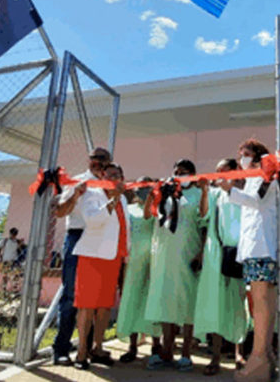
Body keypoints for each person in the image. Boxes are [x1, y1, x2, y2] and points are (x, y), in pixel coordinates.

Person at [218, 139, 279, 382]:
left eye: (244, 154)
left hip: (261, 249)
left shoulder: (265, 175)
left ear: (255, 156)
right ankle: (265, 353)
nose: (240, 157)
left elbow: (255, 201)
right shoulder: (255, 178)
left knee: (262, 301)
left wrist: (229, 190)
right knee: (262, 301)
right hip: (256, 250)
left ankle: (258, 356)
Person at [145, 159, 209, 372]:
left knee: (186, 302)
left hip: (187, 255)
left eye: (184, 172)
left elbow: (205, 224)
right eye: (176, 171)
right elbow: (152, 216)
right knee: (165, 301)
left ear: (192, 174)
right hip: (164, 255)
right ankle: (166, 350)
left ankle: (186, 354)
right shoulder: (165, 193)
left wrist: (200, 254)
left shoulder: (198, 195)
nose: (179, 174)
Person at [51, 147, 111, 366]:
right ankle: (61, 349)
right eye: (95, 159)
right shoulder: (77, 182)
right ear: (89, 161)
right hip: (78, 238)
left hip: (102, 242)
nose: (99, 164)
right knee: (71, 297)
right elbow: (59, 211)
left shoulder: (110, 185)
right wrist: (75, 195)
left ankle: (86, 350)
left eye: (103, 160)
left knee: (94, 299)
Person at [194, 159, 249, 376]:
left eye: (223, 171)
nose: (219, 174)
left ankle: (239, 353)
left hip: (241, 254)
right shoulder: (215, 194)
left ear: (235, 172)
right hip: (216, 254)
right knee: (216, 304)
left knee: (239, 304)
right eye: (217, 171)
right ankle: (215, 357)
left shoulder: (246, 193)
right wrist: (206, 192)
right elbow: (203, 215)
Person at [72, 162, 129, 370]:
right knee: (87, 306)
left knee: (105, 306)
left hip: (113, 257)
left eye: (119, 175)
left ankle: (98, 348)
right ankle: (81, 353)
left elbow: (125, 227)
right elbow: (93, 220)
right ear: (103, 176)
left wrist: (126, 253)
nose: (115, 178)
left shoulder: (123, 197)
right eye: (111, 175)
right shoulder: (92, 193)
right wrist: (113, 199)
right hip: (92, 256)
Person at [116, 176, 163, 363]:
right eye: (141, 187)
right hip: (133, 262)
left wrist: (153, 199)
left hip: (154, 260)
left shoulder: (158, 208)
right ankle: (132, 345)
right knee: (132, 300)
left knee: (153, 300)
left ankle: (156, 343)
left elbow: (150, 219)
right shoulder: (128, 210)